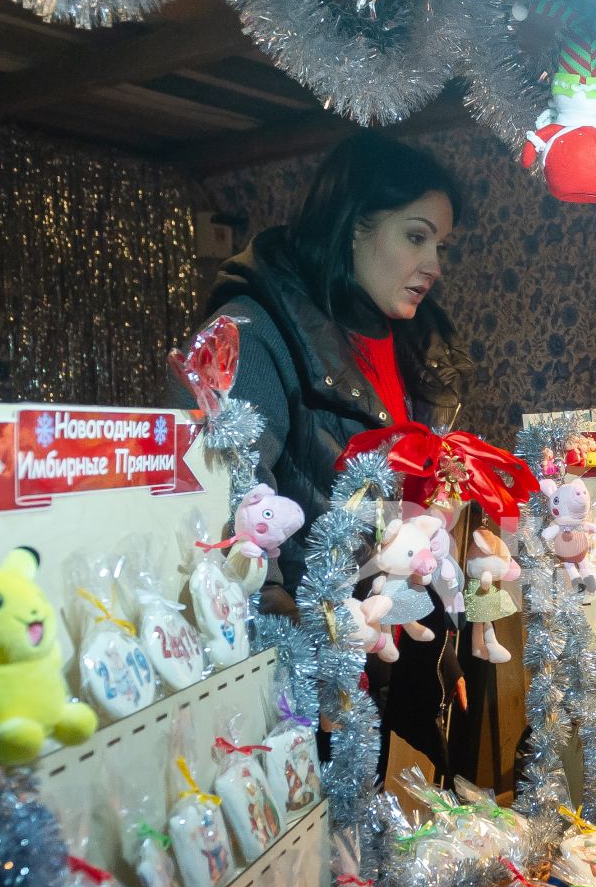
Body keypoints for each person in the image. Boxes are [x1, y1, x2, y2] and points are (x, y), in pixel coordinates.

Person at [179, 131, 473, 773]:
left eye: (441, 246)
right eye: (417, 237)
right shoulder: (255, 333)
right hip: (318, 675)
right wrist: (299, 658)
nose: (435, 265)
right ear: (352, 225)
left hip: (401, 648)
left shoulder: (420, 346)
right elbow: (240, 523)